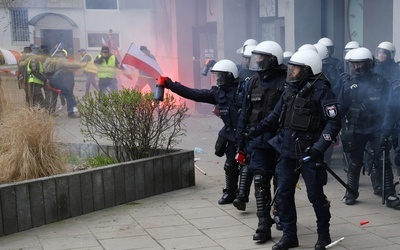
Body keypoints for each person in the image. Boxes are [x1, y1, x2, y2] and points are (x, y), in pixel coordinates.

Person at [245, 49, 341, 250]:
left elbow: (333, 123)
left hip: (309, 152)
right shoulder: (290, 89)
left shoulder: (322, 91)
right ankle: (290, 235)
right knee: (285, 193)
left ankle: (323, 235)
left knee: (315, 195)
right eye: (292, 68)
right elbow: (275, 116)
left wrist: (318, 148)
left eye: (296, 68)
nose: (292, 71)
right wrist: (255, 131)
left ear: (308, 69)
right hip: (287, 150)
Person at [163, 59, 245, 205]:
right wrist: (172, 85)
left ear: (230, 76)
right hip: (231, 134)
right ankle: (231, 193)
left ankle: (244, 196)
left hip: (248, 133)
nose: (218, 79)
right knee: (230, 165)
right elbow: (194, 94)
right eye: (216, 75)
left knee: (251, 168)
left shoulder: (244, 90)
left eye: (221, 76)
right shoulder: (217, 93)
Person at [235, 41, 287, 242]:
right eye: (257, 57)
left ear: (273, 59)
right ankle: (263, 224)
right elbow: (245, 113)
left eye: (262, 57)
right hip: (257, 141)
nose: (258, 61)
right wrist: (241, 139)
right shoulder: (253, 82)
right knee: (260, 181)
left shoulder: (285, 81)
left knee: (281, 182)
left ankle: (281, 213)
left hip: (280, 141)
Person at [337, 47, 400, 209]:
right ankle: (351, 191)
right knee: (355, 161)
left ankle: (390, 194)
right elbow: (341, 108)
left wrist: (389, 131)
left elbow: (389, 107)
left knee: (382, 160)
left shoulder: (380, 81)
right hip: (356, 128)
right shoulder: (348, 84)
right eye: (354, 64)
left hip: (377, 128)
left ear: (368, 64)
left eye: (360, 64)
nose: (356, 67)